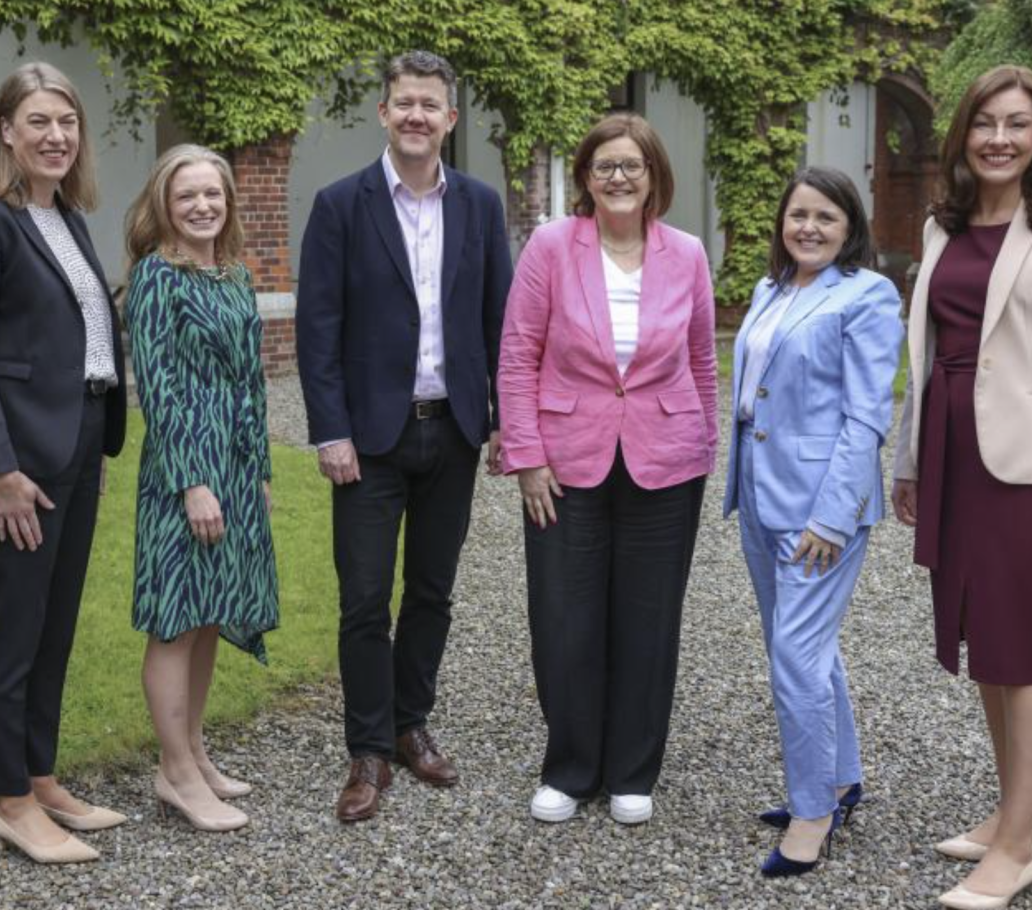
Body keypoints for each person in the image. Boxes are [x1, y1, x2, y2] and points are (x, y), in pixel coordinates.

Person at [890, 65, 1032, 910]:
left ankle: (1019, 849)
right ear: (962, 135)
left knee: (1027, 648)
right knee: (987, 636)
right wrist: (910, 458)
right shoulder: (945, 225)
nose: (999, 139)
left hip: (1027, 468)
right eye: (985, 123)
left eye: (1017, 124)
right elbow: (926, 353)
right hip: (951, 453)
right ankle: (1016, 809)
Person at [296, 50, 512, 823]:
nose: (416, 115)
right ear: (383, 114)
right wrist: (330, 432)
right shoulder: (340, 205)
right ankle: (367, 751)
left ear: (450, 120)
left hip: (451, 431)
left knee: (431, 591)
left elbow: (501, 323)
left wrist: (502, 421)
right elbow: (318, 329)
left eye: (431, 104)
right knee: (362, 599)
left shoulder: (481, 207)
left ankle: (409, 723)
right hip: (371, 441)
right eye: (404, 103)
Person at [498, 113, 716, 826]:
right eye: (604, 166)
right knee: (565, 617)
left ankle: (632, 771)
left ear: (654, 175)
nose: (618, 177)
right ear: (584, 178)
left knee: (649, 621)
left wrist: (704, 446)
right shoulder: (552, 246)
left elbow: (703, 359)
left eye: (632, 165)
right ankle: (569, 767)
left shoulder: (686, 253)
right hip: (565, 461)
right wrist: (526, 456)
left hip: (666, 458)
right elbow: (519, 352)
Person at [0, 62, 128, 863]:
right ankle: (9, 801)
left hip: (79, 440)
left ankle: (39, 774)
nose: (56, 137)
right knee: (15, 627)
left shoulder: (67, 216)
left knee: (54, 624)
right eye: (39, 122)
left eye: (67, 123)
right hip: (22, 458)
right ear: (6, 131)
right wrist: (0, 469)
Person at [723, 167, 903, 876]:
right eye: (799, 215)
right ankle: (839, 776)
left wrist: (832, 518)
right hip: (761, 498)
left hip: (821, 509)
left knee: (794, 658)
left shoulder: (867, 295)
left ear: (849, 226)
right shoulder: (772, 290)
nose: (809, 228)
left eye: (825, 217)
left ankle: (812, 813)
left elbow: (867, 416)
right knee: (806, 647)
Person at [124, 144, 278, 833]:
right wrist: (194, 482)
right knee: (177, 617)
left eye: (213, 194)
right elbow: (158, 389)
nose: (202, 206)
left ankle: (193, 752)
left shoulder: (234, 277)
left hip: (235, 468)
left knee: (211, 608)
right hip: (185, 469)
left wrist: (260, 470)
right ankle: (174, 773)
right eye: (187, 195)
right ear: (164, 203)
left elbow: (251, 381)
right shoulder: (157, 278)